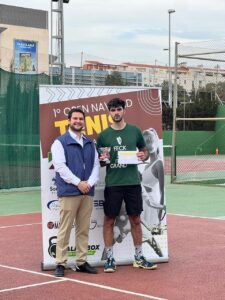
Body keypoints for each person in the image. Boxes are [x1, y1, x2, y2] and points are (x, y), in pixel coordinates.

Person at [97, 97, 157, 273]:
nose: (116, 113)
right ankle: (109, 259)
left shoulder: (135, 131)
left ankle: (138, 257)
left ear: (124, 110)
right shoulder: (103, 136)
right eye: (113, 110)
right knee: (109, 220)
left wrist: (143, 156)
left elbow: (145, 152)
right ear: (109, 113)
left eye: (119, 109)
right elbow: (102, 162)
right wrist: (102, 159)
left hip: (132, 183)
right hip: (113, 184)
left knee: (136, 220)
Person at [51, 108, 100, 277]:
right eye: (75, 118)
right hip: (69, 191)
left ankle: (81, 262)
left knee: (83, 229)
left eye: (81, 119)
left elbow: (96, 166)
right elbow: (60, 167)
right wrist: (79, 183)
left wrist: (89, 184)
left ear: (83, 121)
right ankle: (60, 263)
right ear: (69, 121)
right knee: (64, 229)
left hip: (87, 191)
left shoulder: (90, 143)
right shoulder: (60, 142)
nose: (78, 121)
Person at [140, 128, 166, 235]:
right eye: (146, 141)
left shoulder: (159, 163)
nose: (149, 143)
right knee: (143, 233)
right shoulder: (146, 166)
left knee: (150, 233)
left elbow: (162, 191)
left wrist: (160, 216)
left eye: (150, 140)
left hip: (152, 202)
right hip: (143, 202)